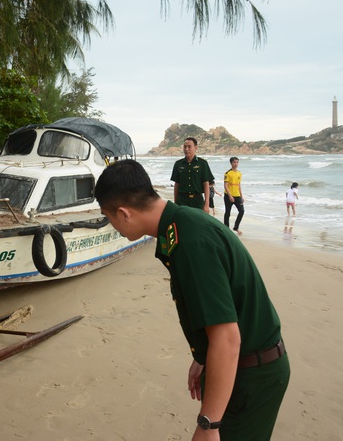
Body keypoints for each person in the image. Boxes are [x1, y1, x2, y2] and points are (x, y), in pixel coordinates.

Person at [95, 159, 290, 441]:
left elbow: (227, 338)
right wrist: (203, 355)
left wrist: (208, 424)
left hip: (252, 376)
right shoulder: (180, 223)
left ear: (124, 213)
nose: (112, 225)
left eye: (108, 216)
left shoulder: (190, 242)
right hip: (240, 365)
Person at [170, 137, 214, 213]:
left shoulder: (203, 163)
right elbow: (177, 184)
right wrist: (175, 203)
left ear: (195, 148)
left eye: (189, 147)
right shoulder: (178, 164)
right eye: (185, 147)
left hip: (197, 201)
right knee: (183, 224)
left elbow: (206, 184)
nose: (186, 149)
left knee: (198, 224)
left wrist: (206, 204)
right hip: (182, 201)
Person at [223, 157, 245, 235]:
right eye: (234, 162)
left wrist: (241, 196)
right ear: (231, 163)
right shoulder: (228, 173)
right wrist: (230, 196)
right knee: (228, 212)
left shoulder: (239, 173)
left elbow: (239, 185)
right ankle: (226, 229)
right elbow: (225, 185)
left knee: (242, 211)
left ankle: (236, 227)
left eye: (237, 162)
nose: (236, 164)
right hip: (228, 195)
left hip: (237, 195)